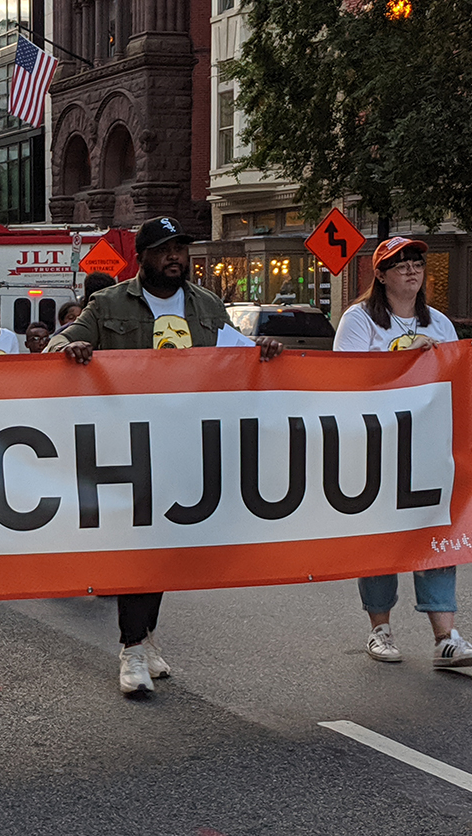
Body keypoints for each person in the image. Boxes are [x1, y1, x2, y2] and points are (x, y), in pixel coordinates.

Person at [47, 215, 284, 694]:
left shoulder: (207, 305)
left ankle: (146, 636)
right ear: (143, 257)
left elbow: (235, 355)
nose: (176, 257)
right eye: (164, 250)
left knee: (165, 550)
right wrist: (69, 347)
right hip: (127, 445)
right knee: (139, 547)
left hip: (186, 446)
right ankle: (132, 650)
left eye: (181, 248)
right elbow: (62, 341)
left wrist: (262, 349)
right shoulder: (109, 302)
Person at [333, 236, 472, 668]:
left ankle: (446, 637)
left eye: (416, 262)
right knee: (382, 540)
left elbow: (463, 391)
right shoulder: (359, 321)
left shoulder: (439, 322)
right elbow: (344, 383)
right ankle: (379, 629)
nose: (410, 269)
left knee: (437, 535)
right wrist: (402, 359)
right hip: (376, 448)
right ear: (379, 275)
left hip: (430, 449)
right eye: (399, 263)